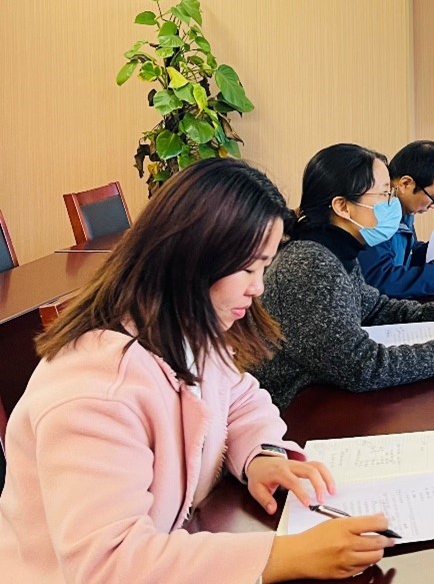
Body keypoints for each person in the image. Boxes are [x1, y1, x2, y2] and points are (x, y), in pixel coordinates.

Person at [0, 158, 394, 583]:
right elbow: (109, 565)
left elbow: (240, 397)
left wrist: (261, 455)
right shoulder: (95, 391)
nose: (258, 287)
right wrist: (283, 556)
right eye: (248, 268)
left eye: (264, 267)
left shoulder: (187, 331)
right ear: (192, 258)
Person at [253, 143, 434, 410]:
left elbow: (374, 307)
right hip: (296, 411)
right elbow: (362, 366)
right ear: (343, 207)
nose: (392, 204)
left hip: (322, 395)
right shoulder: (311, 265)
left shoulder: (336, 250)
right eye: (384, 194)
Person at [357, 140, 434, 297]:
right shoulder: (374, 215)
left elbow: (405, 257)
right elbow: (383, 280)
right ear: (406, 184)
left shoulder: (403, 211)